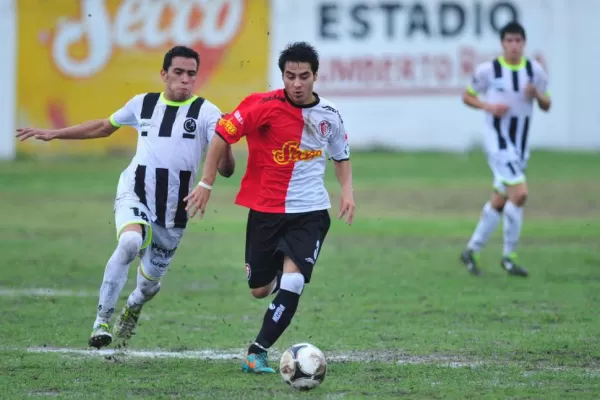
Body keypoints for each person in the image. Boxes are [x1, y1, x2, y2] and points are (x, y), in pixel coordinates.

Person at [16, 45, 236, 349]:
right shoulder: (142, 104)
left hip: (173, 213)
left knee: (148, 286)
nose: (185, 80)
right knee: (130, 242)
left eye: (191, 74)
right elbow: (104, 127)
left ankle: (133, 305)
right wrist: (56, 134)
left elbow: (226, 169)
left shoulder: (208, 112)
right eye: (178, 73)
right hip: (135, 192)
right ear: (164, 74)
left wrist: (228, 143)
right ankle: (101, 321)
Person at [185, 41, 355, 373]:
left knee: (293, 283)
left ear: (315, 76)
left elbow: (341, 155)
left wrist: (347, 192)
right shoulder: (261, 105)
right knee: (259, 290)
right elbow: (222, 134)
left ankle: (257, 351)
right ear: (282, 76)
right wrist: (206, 183)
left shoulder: (329, 114)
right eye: (290, 76)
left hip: (311, 213)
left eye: (304, 76)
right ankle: (278, 271)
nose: (297, 83)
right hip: (266, 211)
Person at [459, 22, 551, 277]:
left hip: (519, 145)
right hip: (497, 142)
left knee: (500, 201)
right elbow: (467, 96)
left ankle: (472, 250)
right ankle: (509, 257)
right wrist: (488, 107)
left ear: (524, 43)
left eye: (518, 41)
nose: (513, 45)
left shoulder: (535, 71)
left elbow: (547, 104)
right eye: (509, 41)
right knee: (519, 194)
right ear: (502, 44)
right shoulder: (488, 70)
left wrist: (537, 95)